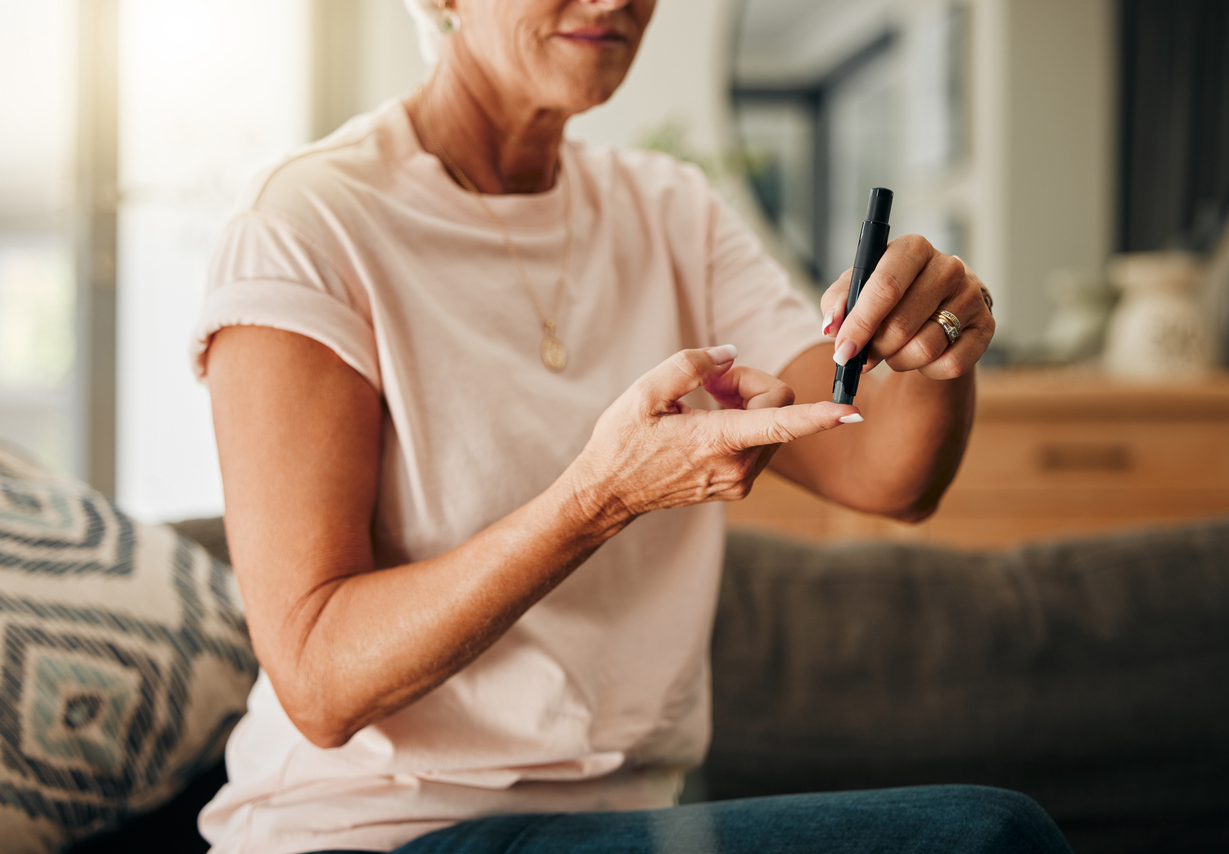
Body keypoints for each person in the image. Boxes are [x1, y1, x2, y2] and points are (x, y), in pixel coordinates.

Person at [191, 1, 1070, 852]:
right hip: (370, 829)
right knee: (985, 838)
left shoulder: (668, 209)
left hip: (625, 822)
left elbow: (885, 474)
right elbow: (317, 681)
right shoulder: (304, 224)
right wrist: (598, 499)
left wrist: (935, 346)